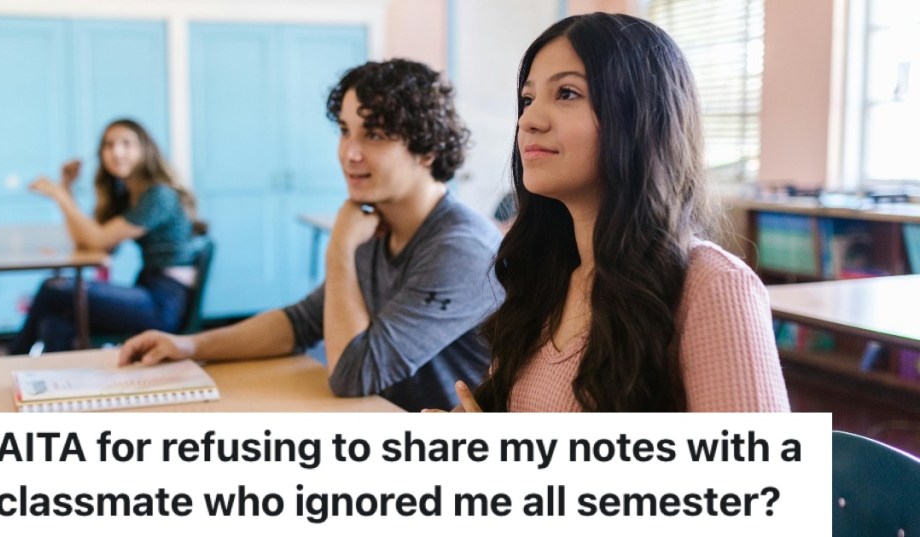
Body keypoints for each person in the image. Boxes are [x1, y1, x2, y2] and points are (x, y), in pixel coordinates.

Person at [432, 13, 789, 412]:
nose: (529, 120)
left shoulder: (713, 285)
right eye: (528, 99)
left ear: (639, 116)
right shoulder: (545, 275)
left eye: (566, 93)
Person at [119, 59, 504, 412]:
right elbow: (300, 322)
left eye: (374, 134)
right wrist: (189, 345)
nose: (349, 153)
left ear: (427, 150)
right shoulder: (377, 224)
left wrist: (339, 250)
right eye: (344, 131)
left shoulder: (461, 248)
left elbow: (353, 375)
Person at [8, 119, 205, 355]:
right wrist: (66, 188)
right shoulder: (128, 194)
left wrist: (60, 195)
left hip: (164, 303)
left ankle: (12, 359)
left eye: (126, 144)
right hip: (148, 290)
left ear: (145, 149)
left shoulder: (158, 196)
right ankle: (52, 386)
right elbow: (88, 241)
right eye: (108, 145)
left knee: (53, 289)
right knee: (56, 324)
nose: (116, 152)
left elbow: (98, 240)